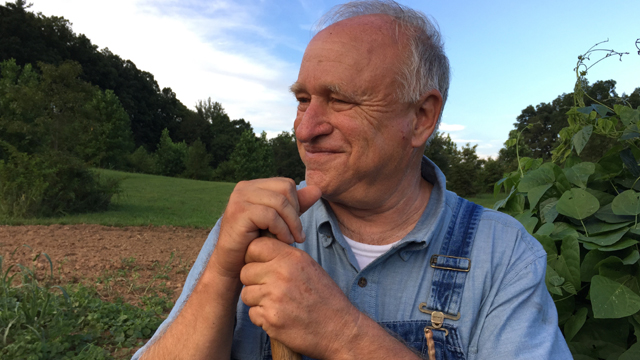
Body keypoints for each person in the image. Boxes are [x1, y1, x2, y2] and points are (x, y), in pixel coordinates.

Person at [134, 1, 571, 359]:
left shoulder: (502, 255)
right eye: (303, 100)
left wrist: (345, 336)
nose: (305, 129)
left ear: (421, 117)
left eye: (339, 100)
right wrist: (221, 275)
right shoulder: (257, 228)